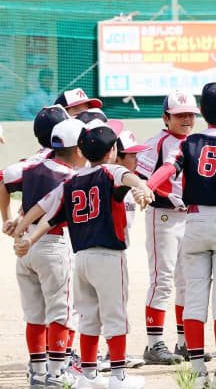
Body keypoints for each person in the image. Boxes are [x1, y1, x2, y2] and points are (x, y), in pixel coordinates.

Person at [15, 119, 154, 389]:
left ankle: (87, 375)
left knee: (88, 316)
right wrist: (142, 187)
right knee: (115, 316)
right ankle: (117, 376)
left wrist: (24, 233)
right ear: (113, 150)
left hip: (81, 259)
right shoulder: (110, 170)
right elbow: (126, 176)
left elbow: (45, 209)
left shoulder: (72, 179)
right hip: (109, 256)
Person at [146, 82, 216, 387]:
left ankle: (196, 373)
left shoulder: (187, 143)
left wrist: (148, 186)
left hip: (193, 222)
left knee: (194, 298)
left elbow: (168, 169)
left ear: (202, 112)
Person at [0, 117, 85, 388]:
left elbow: (3, 178)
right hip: (54, 245)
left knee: (34, 314)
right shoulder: (72, 177)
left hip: (24, 246)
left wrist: (7, 217)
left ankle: (37, 372)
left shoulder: (32, 167)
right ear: (79, 150)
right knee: (61, 312)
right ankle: (57, 373)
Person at [135, 90, 199, 365]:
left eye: (190, 114)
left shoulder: (196, 141)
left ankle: (184, 343)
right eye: (179, 115)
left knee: (186, 282)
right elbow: (140, 178)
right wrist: (147, 190)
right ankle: (154, 344)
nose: (186, 119)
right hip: (163, 215)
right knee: (162, 279)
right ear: (166, 117)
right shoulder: (158, 142)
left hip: (189, 218)